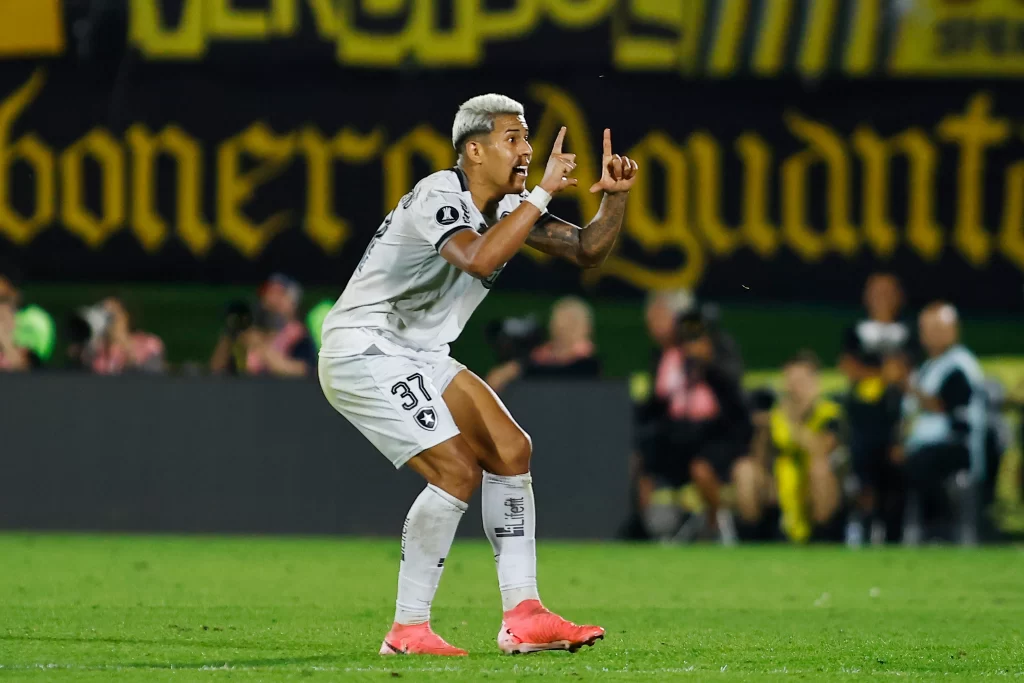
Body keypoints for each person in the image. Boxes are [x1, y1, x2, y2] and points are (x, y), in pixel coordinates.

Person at [317, 95, 637, 656]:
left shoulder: (508, 207)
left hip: (420, 352)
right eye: (512, 138)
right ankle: (407, 630)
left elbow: (587, 250)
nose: (526, 150)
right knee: (454, 470)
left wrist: (614, 200)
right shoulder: (439, 192)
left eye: (526, 138)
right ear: (474, 149)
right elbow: (479, 259)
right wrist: (538, 195)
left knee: (511, 449)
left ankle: (524, 614)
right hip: (363, 347)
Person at [889, 302, 986, 544]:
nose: (931, 334)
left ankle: (940, 529)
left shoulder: (960, 365)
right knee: (883, 460)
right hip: (922, 445)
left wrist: (907, 385)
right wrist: (899, 442)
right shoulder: (927, 368)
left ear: (954, 330)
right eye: (927, 328)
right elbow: (910, 414)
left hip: (956, 444)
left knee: (922, 463)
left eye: (938, 328)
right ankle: (890, 536)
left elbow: (944, 405)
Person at [736, 351, 844, 543]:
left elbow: (821, 449)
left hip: (815, 490)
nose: (794, 388)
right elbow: (759, 457)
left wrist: (796, 420)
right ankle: (751, 540)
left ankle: (821, 538)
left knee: (819, 468)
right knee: (744, 470)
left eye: (800, 382)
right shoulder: (775, 415)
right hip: (779, 485)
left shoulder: (829, 413)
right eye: (790, 381)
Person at [839, 273, 913, 546]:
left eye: (887, 292)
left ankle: (894, 537)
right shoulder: (855, 330)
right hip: (862, 419)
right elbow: (850, 368)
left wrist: (874, 374)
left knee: (893, 481)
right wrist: (884, 374)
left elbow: (906, 373)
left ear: (899, 297)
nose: (881, 298)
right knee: (863, 479)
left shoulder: (909, 331)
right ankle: (864, 530)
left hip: (897, 419)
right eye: (875, 292)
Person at [485, 296, 600, 392]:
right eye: (557, 321)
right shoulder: (538, 358)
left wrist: (522, 368)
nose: (562, 328)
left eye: (572, 322)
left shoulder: (588, 365)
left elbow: (564, 374)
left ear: (587, 328)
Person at [210, 274, 316, 378]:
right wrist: (229, 335)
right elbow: (216, 369)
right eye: (268, 293)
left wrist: (261, 347)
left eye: (279, 294)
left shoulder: (298, 335)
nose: (272, 300)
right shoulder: (249, 333)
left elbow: (302, 371)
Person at [81, 297, 166, 375]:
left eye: (113, 315)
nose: (111, 322)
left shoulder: (149, 343)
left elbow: (153, 373)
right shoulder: (97, 348)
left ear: (126, 316)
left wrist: (123, 342)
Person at [0, 265, 55, 371]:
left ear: (16, 294)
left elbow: (24, 366)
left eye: (3, 299)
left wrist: (4, 336)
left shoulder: (35, 319)